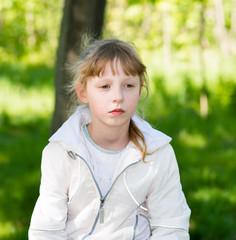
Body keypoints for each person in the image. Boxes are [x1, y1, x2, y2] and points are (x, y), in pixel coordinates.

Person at [29, 38, 191, 240]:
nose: (118, 96)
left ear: (140, 91)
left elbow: (171, 228)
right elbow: (46, 231)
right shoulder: (61, 152)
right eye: (105, 86)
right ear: (83, 92)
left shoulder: (157, 153)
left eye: (128, 85)